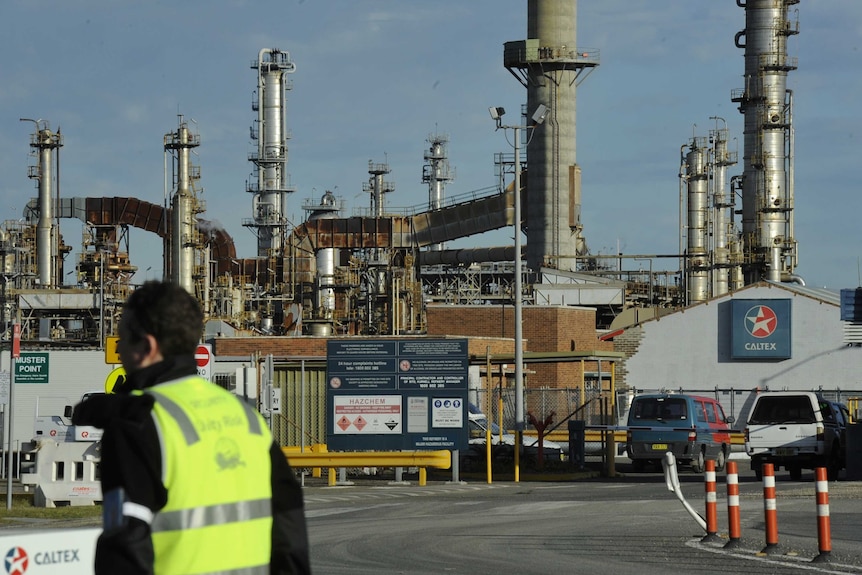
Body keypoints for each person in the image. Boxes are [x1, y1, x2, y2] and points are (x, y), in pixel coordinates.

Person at [73, 281, 311, 574]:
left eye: (122, 341)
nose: (119, 352)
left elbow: (125, 546)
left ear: (146, 346)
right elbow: (290, 527)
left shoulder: (138, 425)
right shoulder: (246, 418)